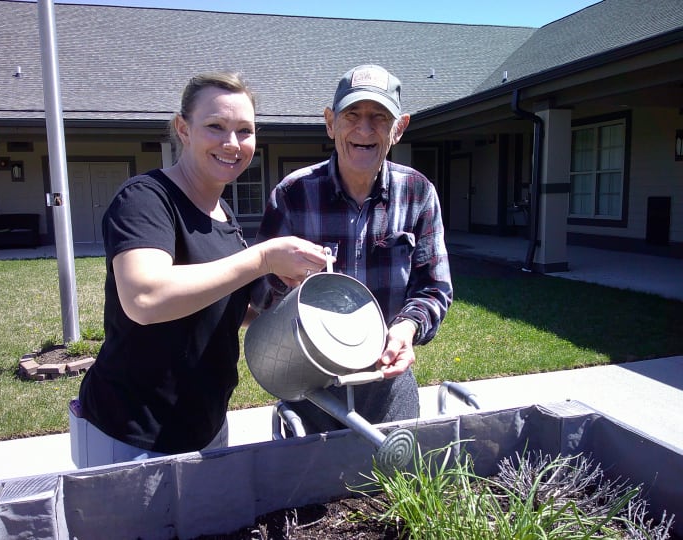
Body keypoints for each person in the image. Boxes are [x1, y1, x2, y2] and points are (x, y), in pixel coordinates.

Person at [76, 72, 328, 465]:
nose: (232, 143)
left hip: (205, 424)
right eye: (215, 127)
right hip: (132, 432)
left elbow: (224, 304)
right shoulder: (146, 199)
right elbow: (146, 297)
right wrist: (261, 258)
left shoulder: (222, 213)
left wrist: (283, 303)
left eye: (245, 130)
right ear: (183, 129)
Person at [252, 64, 453, 433]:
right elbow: (260, 296)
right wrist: (284, 281)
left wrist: (407, 328)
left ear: (399, 128)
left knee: (398, 486)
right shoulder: (293, 194)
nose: (364, 129)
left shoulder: (418, 193)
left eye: (379, 117)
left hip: (388, 382)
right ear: (330, 123)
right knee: (314, 489)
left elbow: (434, 288)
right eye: (352, 115)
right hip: (310, 382)